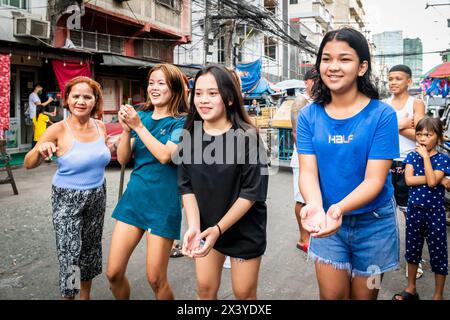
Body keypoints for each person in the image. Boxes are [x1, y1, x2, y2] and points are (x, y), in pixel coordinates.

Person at [297, 27, 400, 300]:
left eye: (344, 59)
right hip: (328, 225)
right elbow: (308, 172)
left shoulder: (382, 115)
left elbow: (374, 180)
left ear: (362, 66)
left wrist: (338, 209)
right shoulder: (308, 116)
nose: (333, 67)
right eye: (326, 59)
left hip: (375, 224)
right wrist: (317, 207)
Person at [178, 65, 269, 300]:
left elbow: (252, 193)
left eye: (212, 93)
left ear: (229, 99)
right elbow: (186, 186)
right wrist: (194, 227)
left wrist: (218, 229)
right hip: (207, 229)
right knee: (205, 290)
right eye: (198, 93)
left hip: (243, 230)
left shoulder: (249, 137)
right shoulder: (190, 136)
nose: (203, 100)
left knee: (244, 294)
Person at [23, 76, 111, 299]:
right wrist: (41, 149)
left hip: (98, 194)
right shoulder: (58, 129)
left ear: (95, 101)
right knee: (71, 256)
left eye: (87, 97)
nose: (81, 101)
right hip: (67, 198)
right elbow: (28, 163)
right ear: (68, 100)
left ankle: (85, 296)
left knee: (90, 251)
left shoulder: (101, 127)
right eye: (76, 96)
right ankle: (70, 296)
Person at [106, 63, 188, 300]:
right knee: (113, 273)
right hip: (134, 200)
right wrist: (125, 131)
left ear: (174, 88)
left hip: (164, 205)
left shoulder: (182, 122)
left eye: (161, 83)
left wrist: (138, 127)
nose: (154, 87)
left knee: (156, 279)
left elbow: (166, 155)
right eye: (151, 82)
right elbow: (122, 159)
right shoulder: (139, 117)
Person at [392, 117, 449, 300]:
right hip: (414, 211)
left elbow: (432, 182)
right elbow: (409, 180)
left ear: (438, 138)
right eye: (419, 134)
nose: (422, 138)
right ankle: (411, 289)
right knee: (412, 250)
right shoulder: (411, 156)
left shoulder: (442, 158)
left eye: (428, 134)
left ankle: (438, 295)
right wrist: (440, 179)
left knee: (438, 253)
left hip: (435, 213)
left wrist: (426, 160)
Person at [385, 64, 426, 279]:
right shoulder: (384, 105)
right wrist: (399, 124)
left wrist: (391, 126)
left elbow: (421, 135)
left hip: (410, 162)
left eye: (398, 78)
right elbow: (376, 132)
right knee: (384, 214)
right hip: (385, 162)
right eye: (390, 78)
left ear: (409, 81)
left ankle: (415, 260)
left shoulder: (416, 103)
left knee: (410, 214)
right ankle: (384, 257)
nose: (393, 82)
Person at [290, 69, 317, 253]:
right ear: (307, 82)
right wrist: (306, 157)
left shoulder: (320, 101)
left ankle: (312, 234)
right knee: (301, 199)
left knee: (313, 197)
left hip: (317, 157)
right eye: (314, 81)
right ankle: (303, 238)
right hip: (303, 157)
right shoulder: (301, 101)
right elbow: (296, 133)